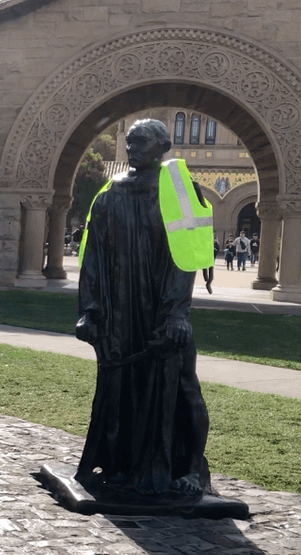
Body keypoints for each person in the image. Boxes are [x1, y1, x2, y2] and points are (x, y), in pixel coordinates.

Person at [75, 118, 216, 504]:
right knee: (121, 389)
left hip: (163, 311)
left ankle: (187, 468)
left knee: (182, 388)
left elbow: (185, 258)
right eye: (130, 141)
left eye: (142, 142)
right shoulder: (109, 195)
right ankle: (121, 465)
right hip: (120, 313)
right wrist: (90, 310)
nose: (132, 148)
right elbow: (93, 257)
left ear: (163, 146)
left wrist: (176, 313)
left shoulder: (178, 193)